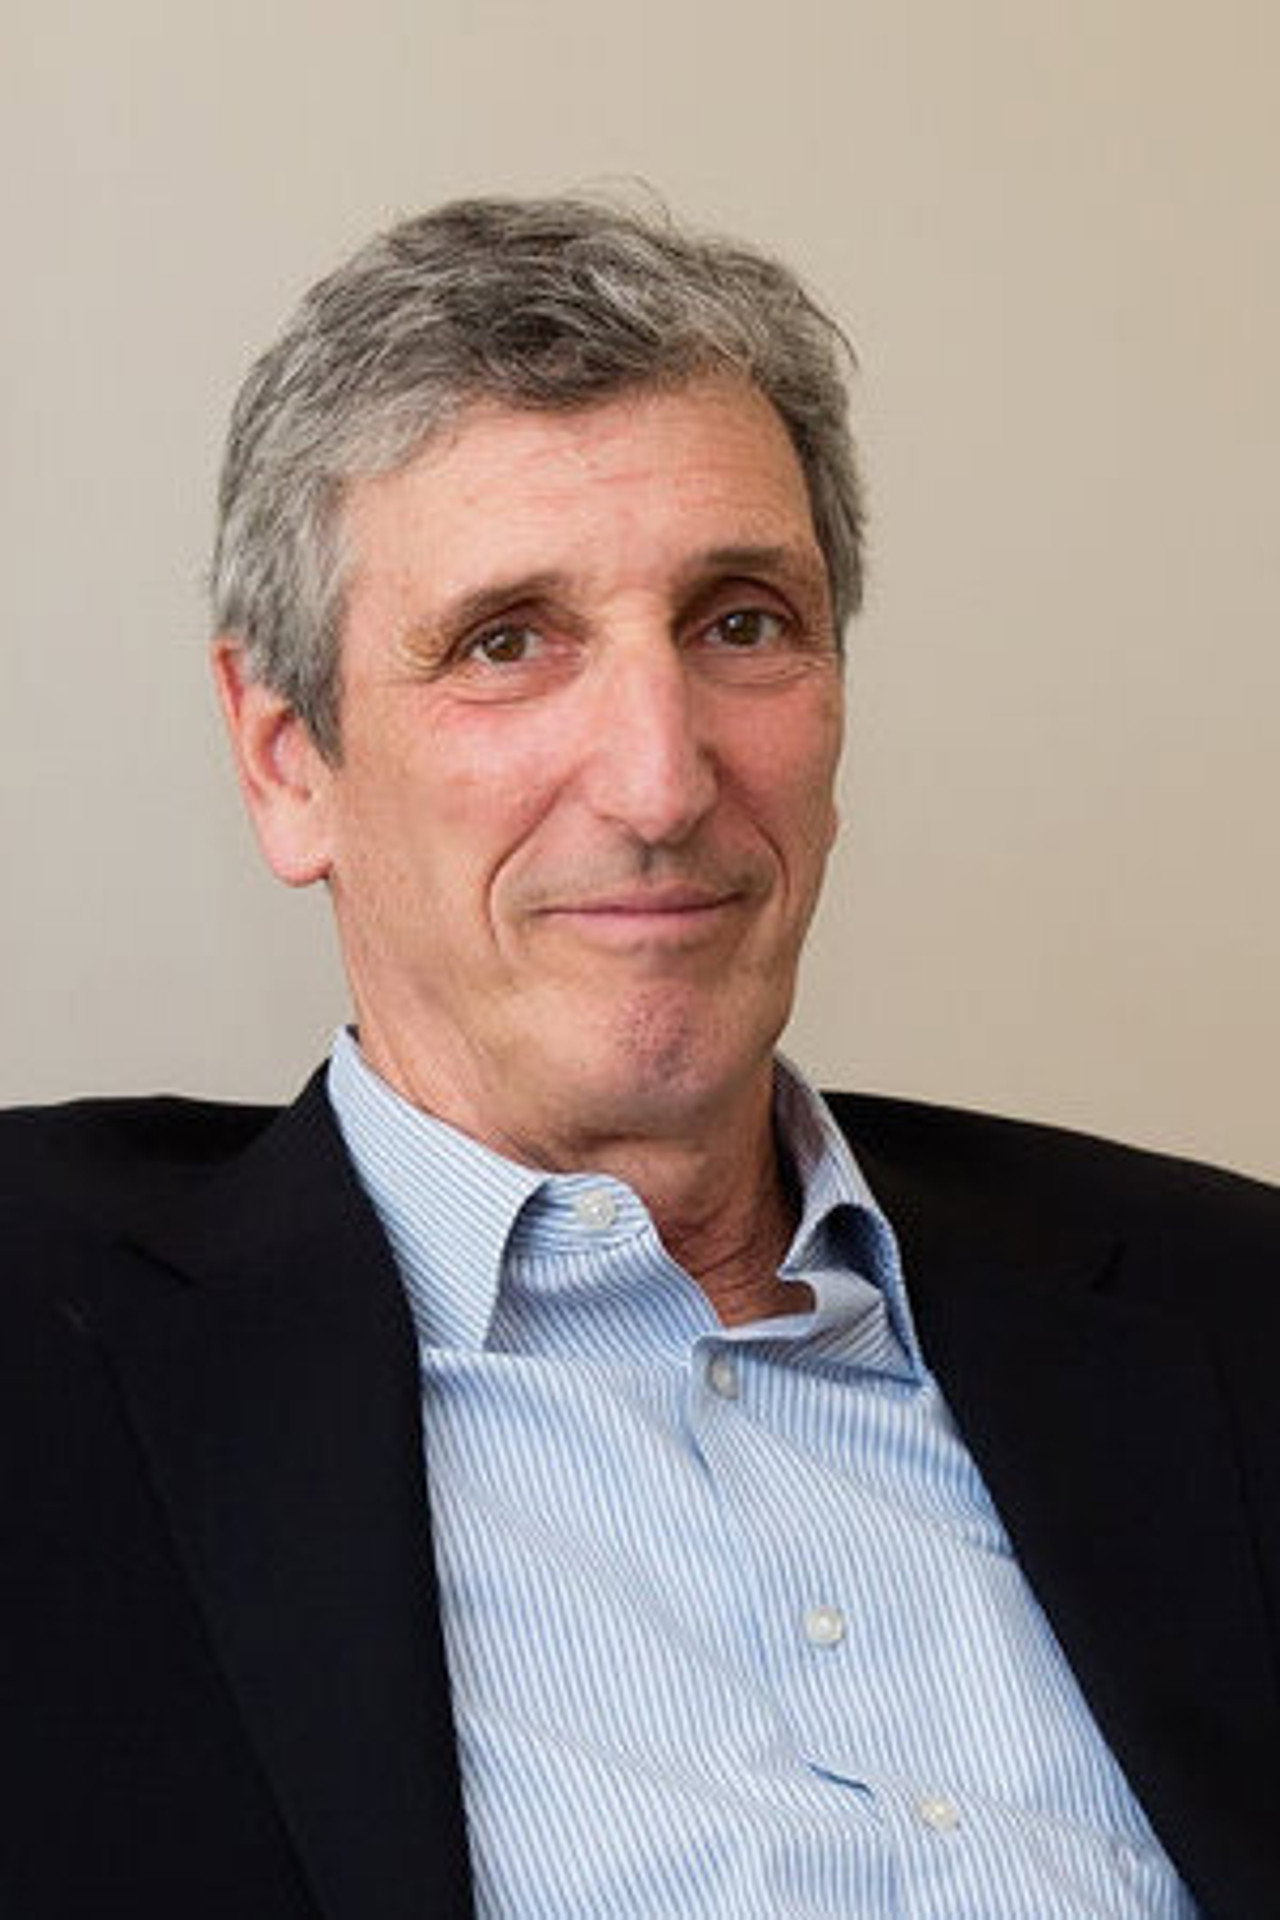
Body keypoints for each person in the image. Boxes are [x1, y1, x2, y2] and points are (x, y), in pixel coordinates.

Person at [1, 196, 1276, 1920]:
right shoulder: (45, 1349)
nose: (662, 782)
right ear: (290, 761)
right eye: (506, 642)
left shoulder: (1231, 1306)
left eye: (740, 622)